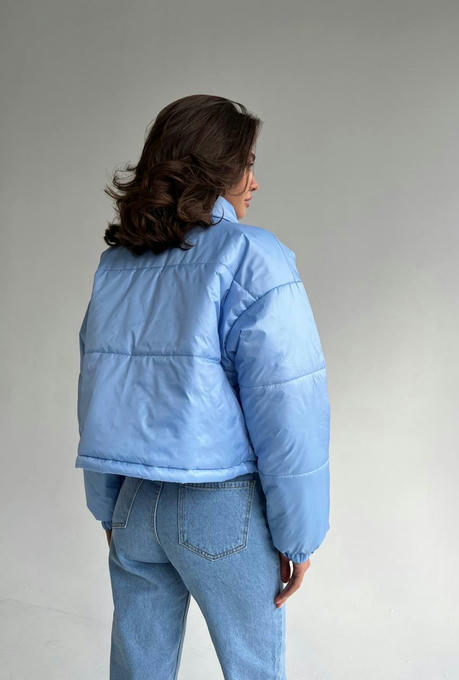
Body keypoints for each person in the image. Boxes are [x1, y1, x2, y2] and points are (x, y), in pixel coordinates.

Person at [76, 94, 330, 679]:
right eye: (247, 164)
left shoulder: (118, 266)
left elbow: (97, 389)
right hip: (221, 507)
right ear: (217, 170)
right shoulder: (252, 255)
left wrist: (108, 509)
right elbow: (288, 402)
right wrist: (299, 536)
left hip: (135, 503)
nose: (254, 182)